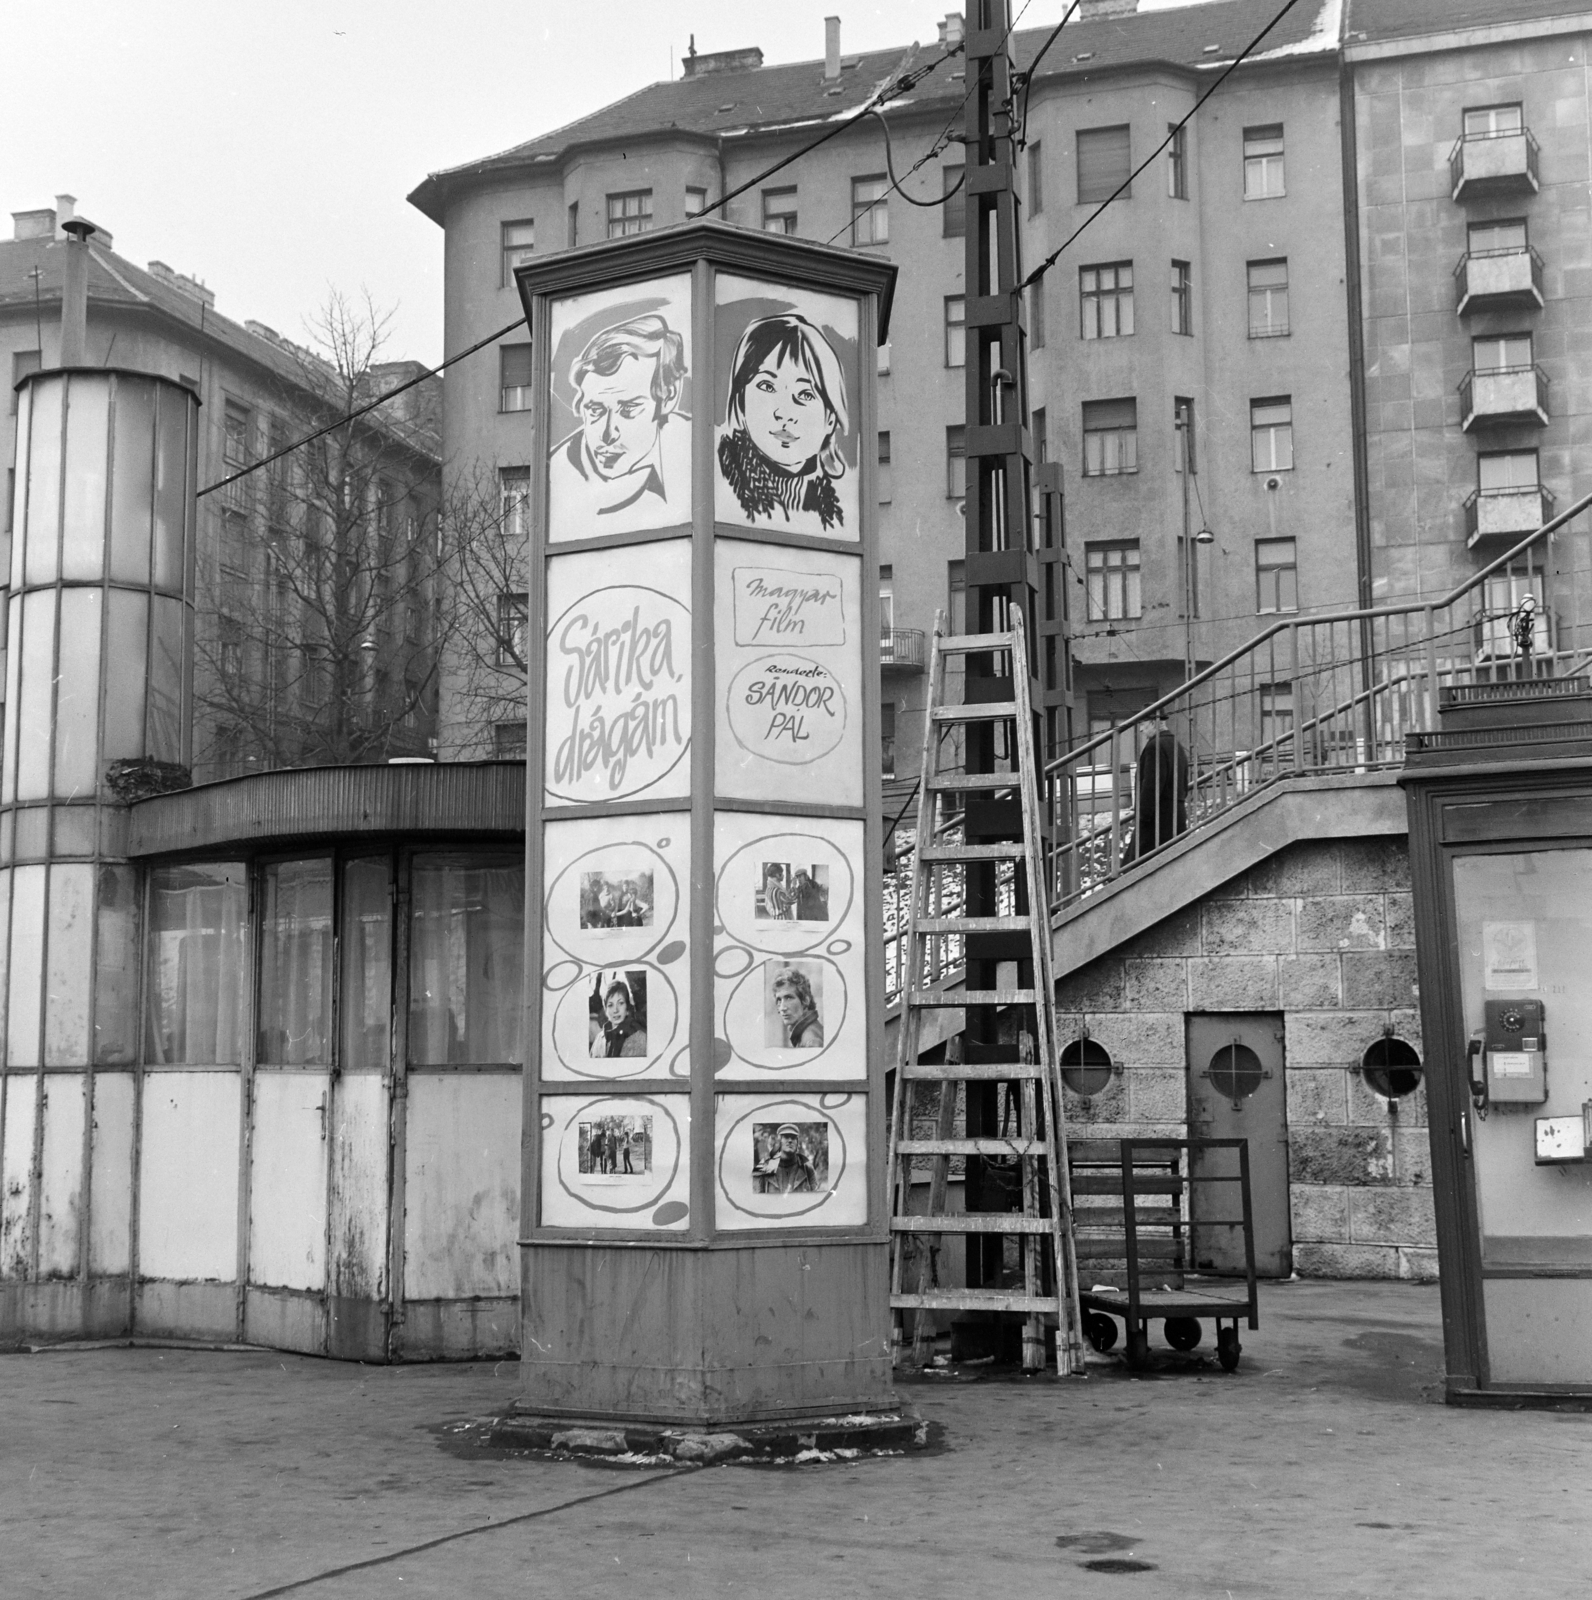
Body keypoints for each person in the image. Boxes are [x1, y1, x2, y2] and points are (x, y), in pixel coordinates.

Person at [549, 314, 690, 533]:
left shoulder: (699, 450)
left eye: (628, 409)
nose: (608, 434)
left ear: (669, 397)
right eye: (595, 410)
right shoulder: (559, 486)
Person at [716, 313, 849, 535]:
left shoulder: (832, 512)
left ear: (830, 419)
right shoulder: (724, 487)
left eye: (805, 394)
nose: (785, 413)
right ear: (740, 402)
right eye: (768, 386)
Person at [753, 1123, 818, 1195]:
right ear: (779, 1141)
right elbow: (757, 1200)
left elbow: (814, 1198)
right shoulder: (763, 1168)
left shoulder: (807, 1168)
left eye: (793, 1137)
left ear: (797, 1142)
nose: (790, 1140)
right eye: (786, 1137)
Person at [591, 978, 648, 1058]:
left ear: (627, 1006)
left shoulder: (641, 1039)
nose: (615, 1010)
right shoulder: (599, 1039)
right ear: (605, 1010)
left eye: (620, 1003)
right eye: (610, 1005)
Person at [770, 965, 823, 1049]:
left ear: (805, 1001)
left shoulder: (812, 1041)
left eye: (788, 998)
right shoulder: (807, 1032)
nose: (782, 1008)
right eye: (779, 1000)